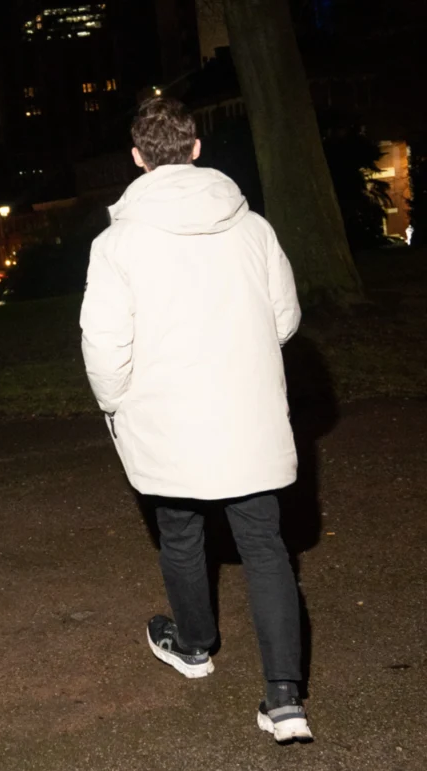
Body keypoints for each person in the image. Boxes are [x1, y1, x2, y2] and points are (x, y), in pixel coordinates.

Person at [80, 98, 312, 743]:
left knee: (180, 533)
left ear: (137, 157)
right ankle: (285, 698)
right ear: (196, 148)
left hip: (166, 414)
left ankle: (194, 645)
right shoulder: (253, 228)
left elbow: (104, 343)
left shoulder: (117, 242)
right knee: (264, 545)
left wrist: (116, 402)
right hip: (247, 410)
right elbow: (285, 319)